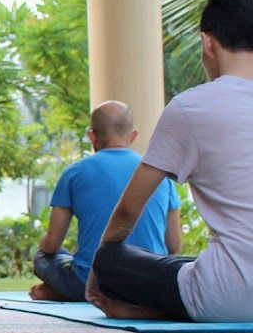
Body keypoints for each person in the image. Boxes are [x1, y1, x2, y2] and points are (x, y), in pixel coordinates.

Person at [88, 0, 253, 322]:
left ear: (208, 42)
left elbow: (128, 210)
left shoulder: (190, 108)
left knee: (111, 259)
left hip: (227, 298)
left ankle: (149, 310)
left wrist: (97, 272)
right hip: (227, 285)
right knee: (186, 264)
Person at [31, 101, 181, 301]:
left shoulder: (74, 173)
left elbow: (51, 245)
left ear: (91, 135)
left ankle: (62, 292)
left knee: (42, 257)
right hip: (148, 283)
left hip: (91, 282)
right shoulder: (159, 175)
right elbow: (174, 246)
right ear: (133, 135)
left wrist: (44, 242)